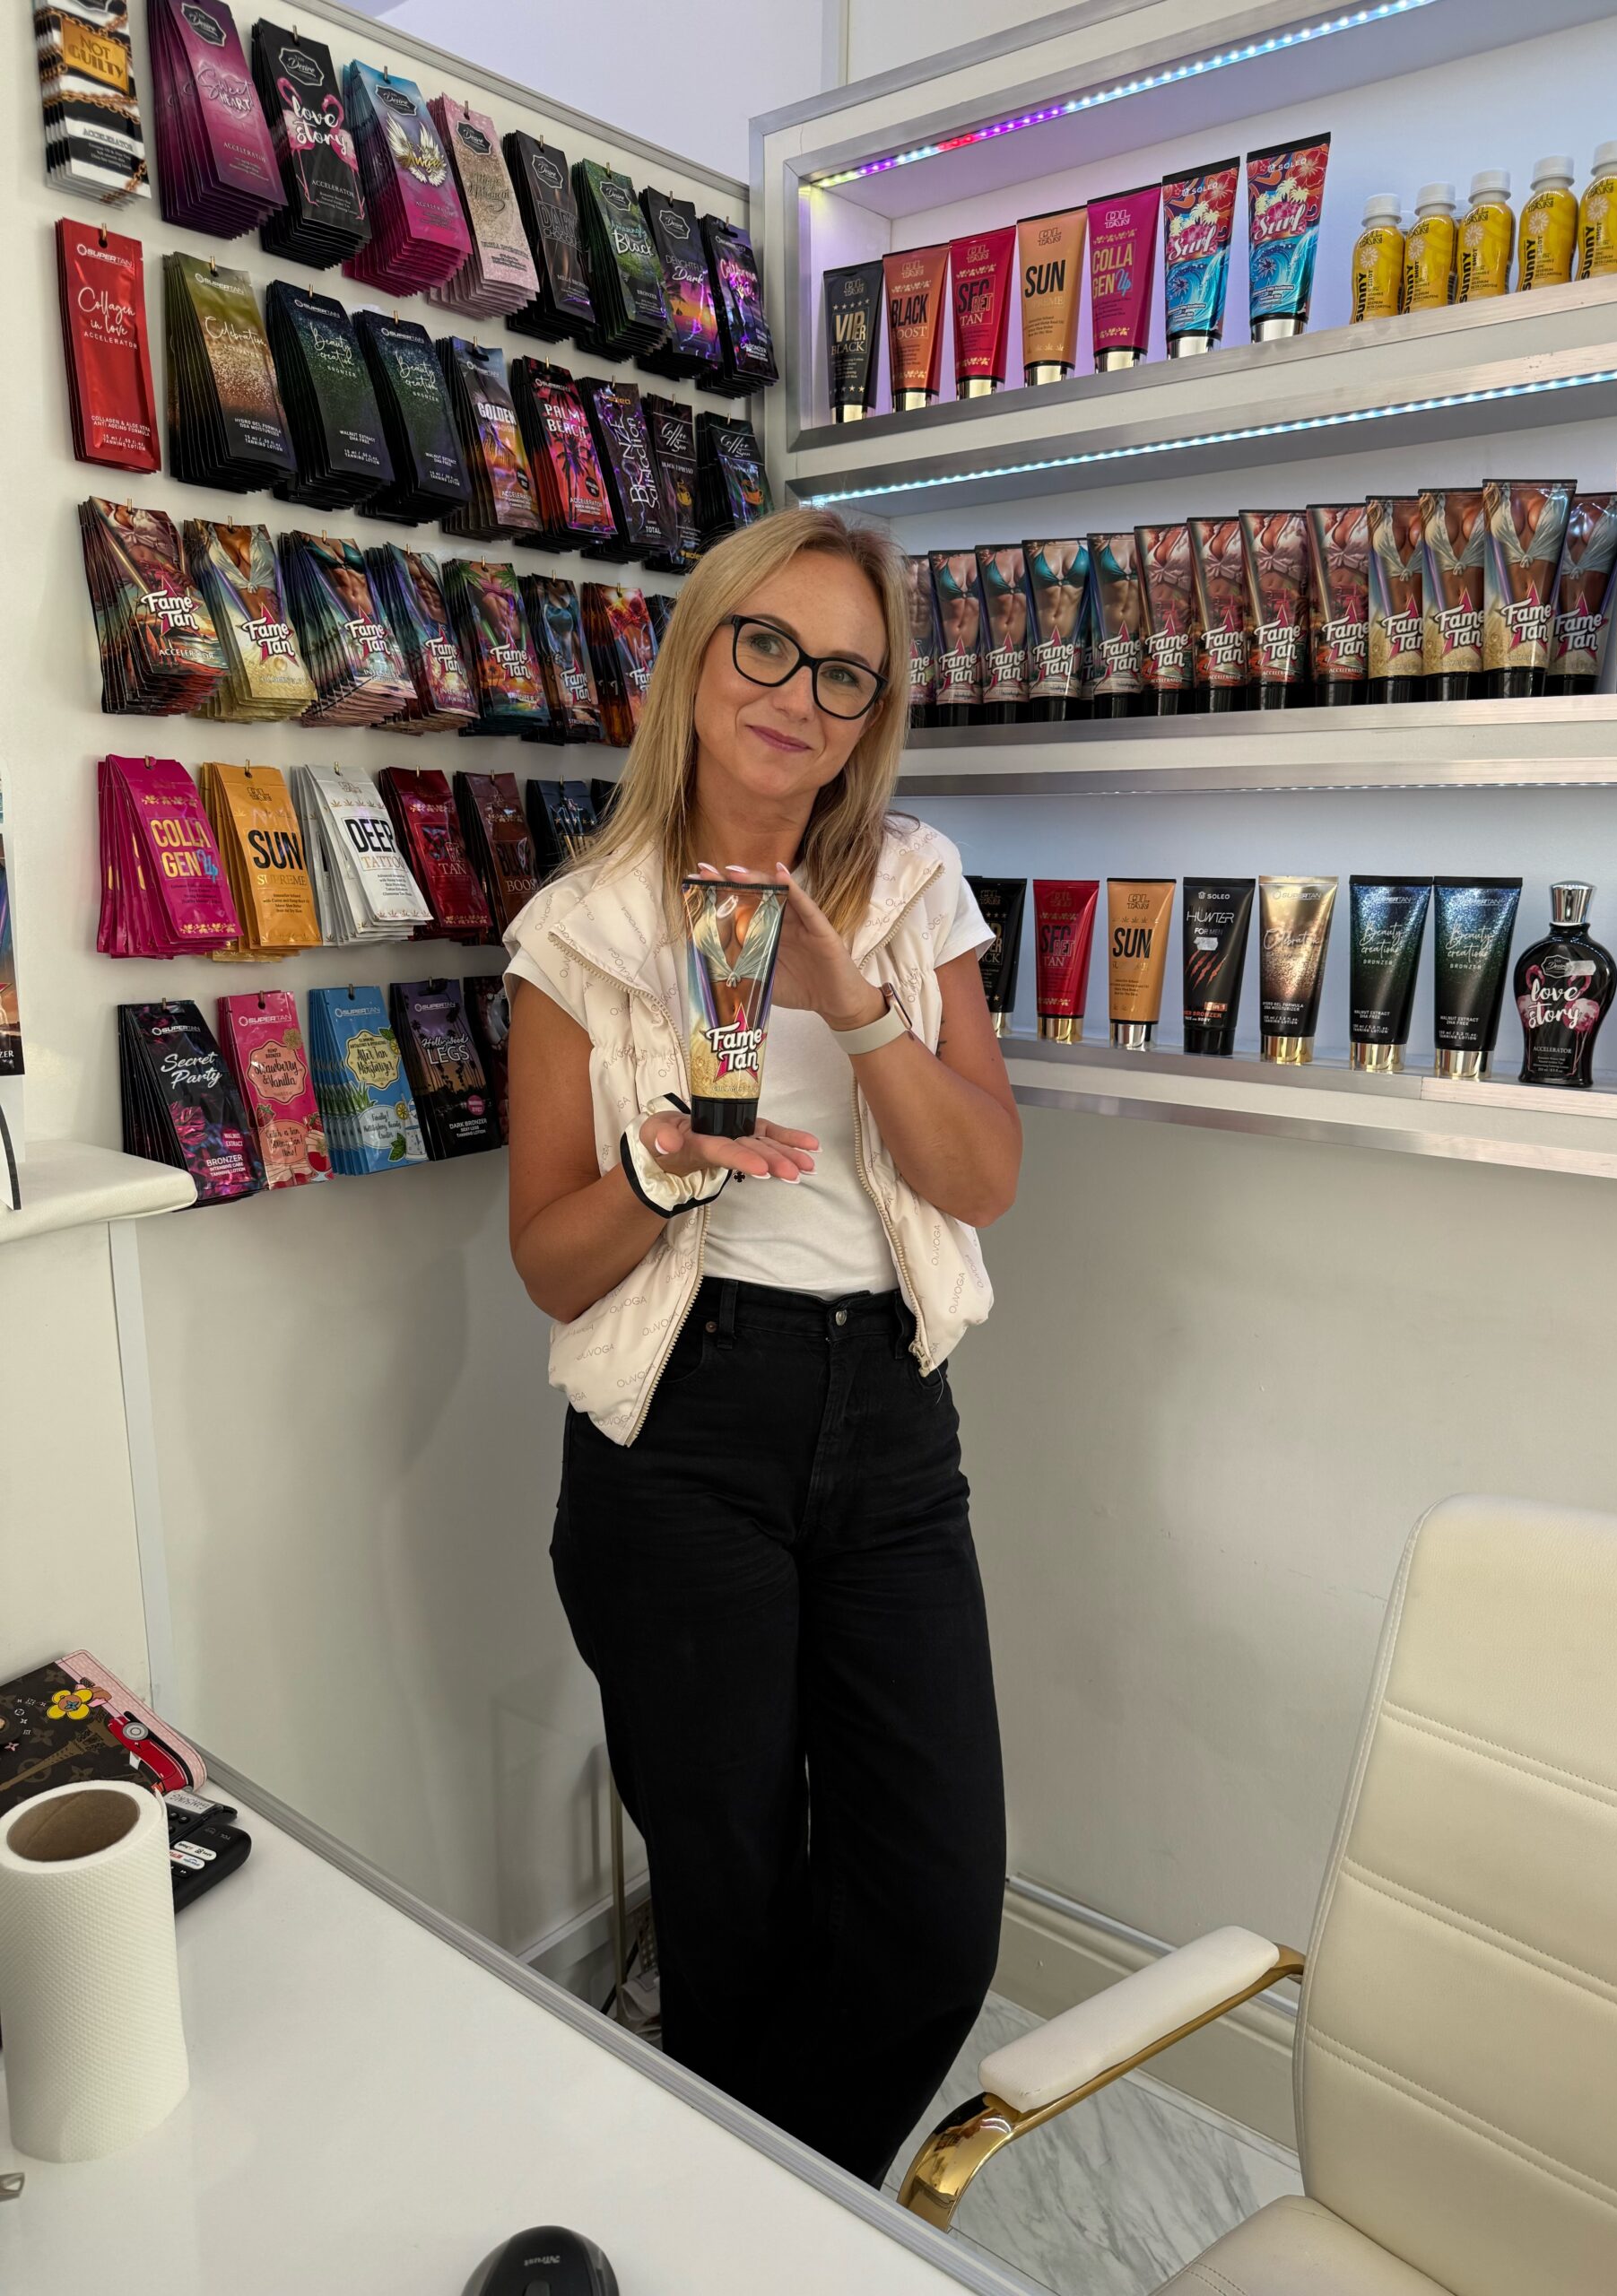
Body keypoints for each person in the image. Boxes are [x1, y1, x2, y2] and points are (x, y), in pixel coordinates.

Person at [504, 506, 1020, 2188]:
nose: (799, 694)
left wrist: (852, 1003)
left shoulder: (914, 889)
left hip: (891, 1426)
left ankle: (765, 2205)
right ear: (702, 653)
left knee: (933, 1920)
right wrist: (665, 1170)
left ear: (873, 718)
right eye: (770, 645)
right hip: (683, 1432)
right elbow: (549, 1266)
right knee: (732, 1916)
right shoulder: (583, 928)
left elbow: (982, 1182)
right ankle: (759, 2227)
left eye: (846, 675)